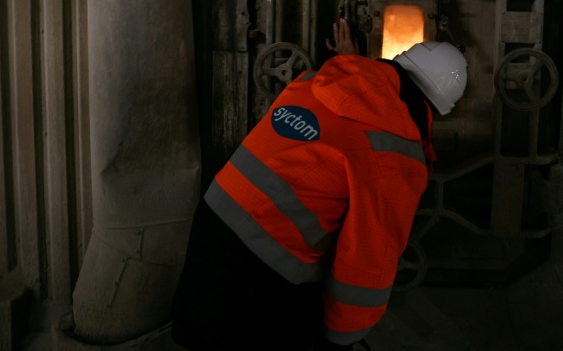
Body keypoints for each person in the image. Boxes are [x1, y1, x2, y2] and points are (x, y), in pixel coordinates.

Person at [171, 19, 468, 350]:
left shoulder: (315, 80)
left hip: (210, 224)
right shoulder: (398, 155)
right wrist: (340, 339)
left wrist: (351, 61)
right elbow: (366, 266)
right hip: (261, 270)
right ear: (436, 110)